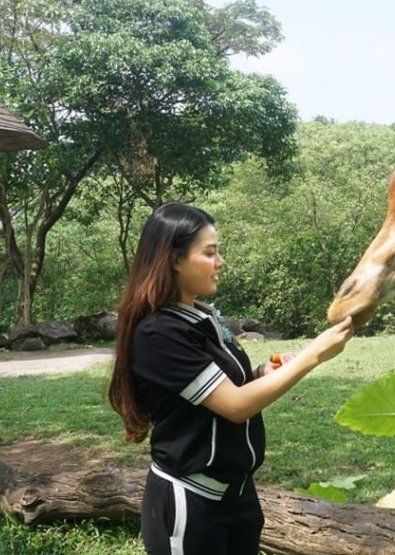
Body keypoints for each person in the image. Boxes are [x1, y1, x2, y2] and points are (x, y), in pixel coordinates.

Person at [108, 202, 354, 555]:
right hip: (191, 503)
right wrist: (313, 355)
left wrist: (260, 374)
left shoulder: (202, 315)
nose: (220, 262)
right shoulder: (159, 333)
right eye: (210, 253)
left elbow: (222, 389)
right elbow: (235, 406)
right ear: (174, 260)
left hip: (238, 496)